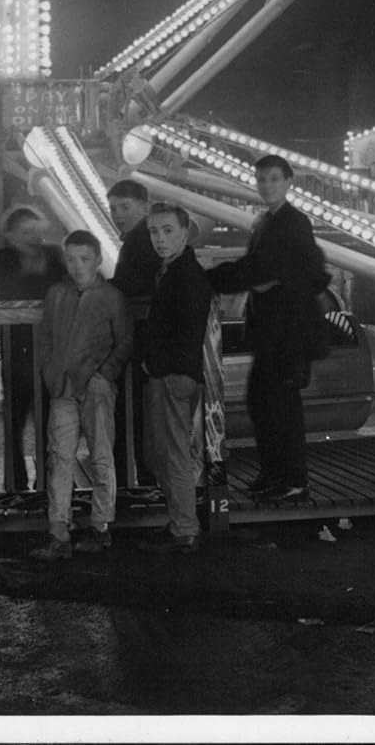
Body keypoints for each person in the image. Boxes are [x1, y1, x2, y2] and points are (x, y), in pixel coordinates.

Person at [207, 155, 330, 501]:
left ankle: (292, 479)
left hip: (288, 331)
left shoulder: (293, 223)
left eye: (274, 179)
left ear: (288, 181)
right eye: (262, 179)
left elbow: (313, 273)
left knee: (280, 404)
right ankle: (276, 472)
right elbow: (256, 269)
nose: (267, 185)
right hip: (272, 330)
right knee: (262, 401)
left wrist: (272, 281)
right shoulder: (266, 222)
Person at [29, 230, 133, 560]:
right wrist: (50, 370)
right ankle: (63, 529)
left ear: (97, 260)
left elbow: (124, 340)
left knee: (97, 455)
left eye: (84, 259)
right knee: (61, 455)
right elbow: (46, 337)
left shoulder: (110, 296)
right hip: (65, 385)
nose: (77, 266)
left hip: (93, 387)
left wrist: (104, 375)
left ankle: (95, 526)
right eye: (71, 259)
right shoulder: (58, 294)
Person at [136, 203, 213, 555]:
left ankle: (184, 528)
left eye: (167, 231)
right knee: (165, 452)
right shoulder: (174, 271)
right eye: (154, 232)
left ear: (185, 232)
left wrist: (157, 366)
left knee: (172, 454)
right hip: (172, 373)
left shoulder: (185, 275)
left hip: (173, 375)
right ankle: (181, 523)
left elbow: (187, 332)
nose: (160, 239)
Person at [0, 206, 66, 491]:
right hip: (16, 350)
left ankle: (45, 481)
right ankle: (15, 482)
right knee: (14, 420)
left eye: (35, 231)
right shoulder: (3, 260)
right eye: (25, 232)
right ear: (10, 235)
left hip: (48, 352)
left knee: (47, 421)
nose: (32, 237)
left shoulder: (55, 257)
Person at [108, 178, 163, 488]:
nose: (117, 214)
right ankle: (143, 478)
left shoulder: (140, 241)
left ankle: (139, 480)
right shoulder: (142, 238)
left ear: (144, 207)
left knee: (135, 413)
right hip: (146, 339)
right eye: (114, 208)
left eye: (124, 207)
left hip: (143, 340)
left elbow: (131, 285)